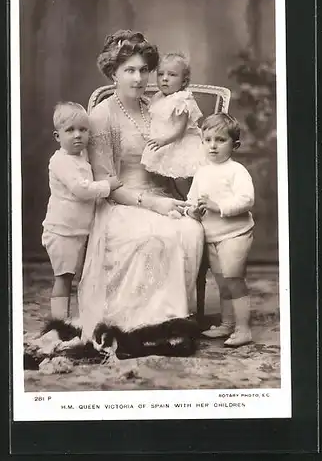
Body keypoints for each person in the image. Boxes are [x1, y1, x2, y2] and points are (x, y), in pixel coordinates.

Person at [75, 30, 204, 358]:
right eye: (130, 70)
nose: (139, 77)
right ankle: (141, 329)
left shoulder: (158, 106)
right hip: (121, 203)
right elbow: (107, 185)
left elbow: (177, 156)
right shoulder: (102, 116)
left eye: (144, 69)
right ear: (113, 72)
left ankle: (175, 323)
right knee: (153, 235)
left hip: (161, 193)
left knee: (190, 229)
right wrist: (154, 204)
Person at [42, 102, 121, 320]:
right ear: (57, 136)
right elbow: (81, 189)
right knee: (64, 277)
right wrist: (108, 186)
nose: (77, 135)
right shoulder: (60, 161)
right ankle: (59, 322)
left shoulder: (82, 156)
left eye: (83, 130)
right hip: (62, 231)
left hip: (81, 229)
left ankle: (84, 318)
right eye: (70, 130)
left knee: (86, 275)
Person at [186, 113, 254, 347]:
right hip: (212, 236)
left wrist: (218, 206)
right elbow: (190, 199)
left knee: (234, 279)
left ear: (234, 145)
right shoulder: (202, 172)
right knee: (223, 283)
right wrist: (192, 211)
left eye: (220, 140)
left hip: (235, 233)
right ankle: (227, 325)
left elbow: (246, 200)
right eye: (207, 140)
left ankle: (243, 329)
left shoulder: (236, 170)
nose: (212, 146)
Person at [141, 52, 204, 200]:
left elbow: (179, 130)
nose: (164, 79)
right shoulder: (157, 97)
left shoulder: (181, 100)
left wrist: (163, 141)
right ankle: (180, 203)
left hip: (179, 143)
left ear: (183, 82)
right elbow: (155, 116)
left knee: (180, 178)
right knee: (167, 181)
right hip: (165, 143)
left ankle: (192, 202)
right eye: (160, 74)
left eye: (172, 75)